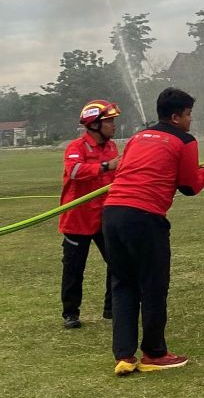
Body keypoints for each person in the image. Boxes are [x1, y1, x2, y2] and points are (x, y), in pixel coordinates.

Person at [102, 88, 204, 376]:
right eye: (189, 115)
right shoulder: (184, 140)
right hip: (144, 218)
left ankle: (124, 356)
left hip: (112, 213)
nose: (191, 120)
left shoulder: (136, 138)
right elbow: (189, 186)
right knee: (153, 286)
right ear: (176, 116)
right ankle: (154, 353)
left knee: (123, 284)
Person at [59, 99, 122, 329]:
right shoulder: (76, 147)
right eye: (109, 121)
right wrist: (107, 166)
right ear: (94, 125)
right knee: (74, 268)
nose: (114, 125)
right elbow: (75, 171)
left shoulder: (111, 147)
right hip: (77, 218)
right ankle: (71, 313)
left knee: (117, 262)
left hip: (105, 217)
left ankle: (112, 308)